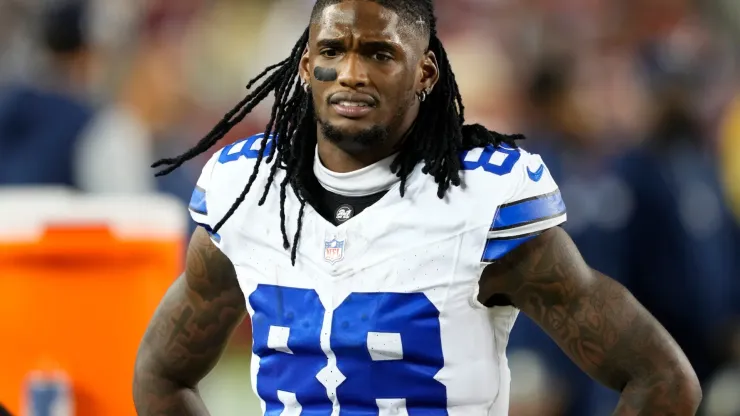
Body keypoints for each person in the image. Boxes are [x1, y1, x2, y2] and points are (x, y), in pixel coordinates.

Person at [132, 1, 701, 414]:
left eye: (379, 54)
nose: (351, 73)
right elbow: (161, 373)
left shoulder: (482, 200)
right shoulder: (246, 191)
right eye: (332, 50)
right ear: (305, 67)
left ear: (425, 72)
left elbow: (662, 381)